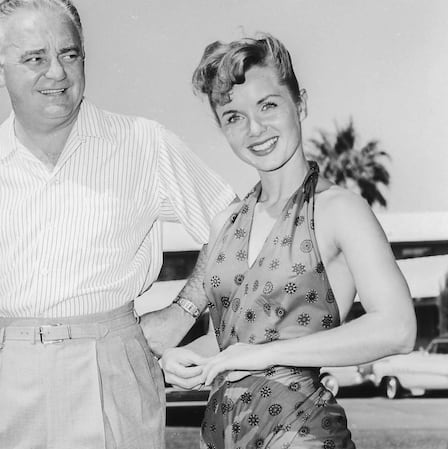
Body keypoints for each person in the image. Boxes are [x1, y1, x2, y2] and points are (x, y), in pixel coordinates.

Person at [0, 1, 235, 447]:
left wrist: (182, 310)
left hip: (114, 367)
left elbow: (233, 221)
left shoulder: (142, 143)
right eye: (35, 58)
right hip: (7, 375)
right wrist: (19, 338)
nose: (56, 73)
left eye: (69, 55)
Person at [156, 34, 416, 449]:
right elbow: (236, 340)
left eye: (268, 105)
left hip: (301, 432)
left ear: (301, 103)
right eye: (233, 117)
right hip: (219, 434)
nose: (254, 129)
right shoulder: (225, 221)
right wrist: (187, 358)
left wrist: (262, 355)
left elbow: (399, 328)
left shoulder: (339, 210)